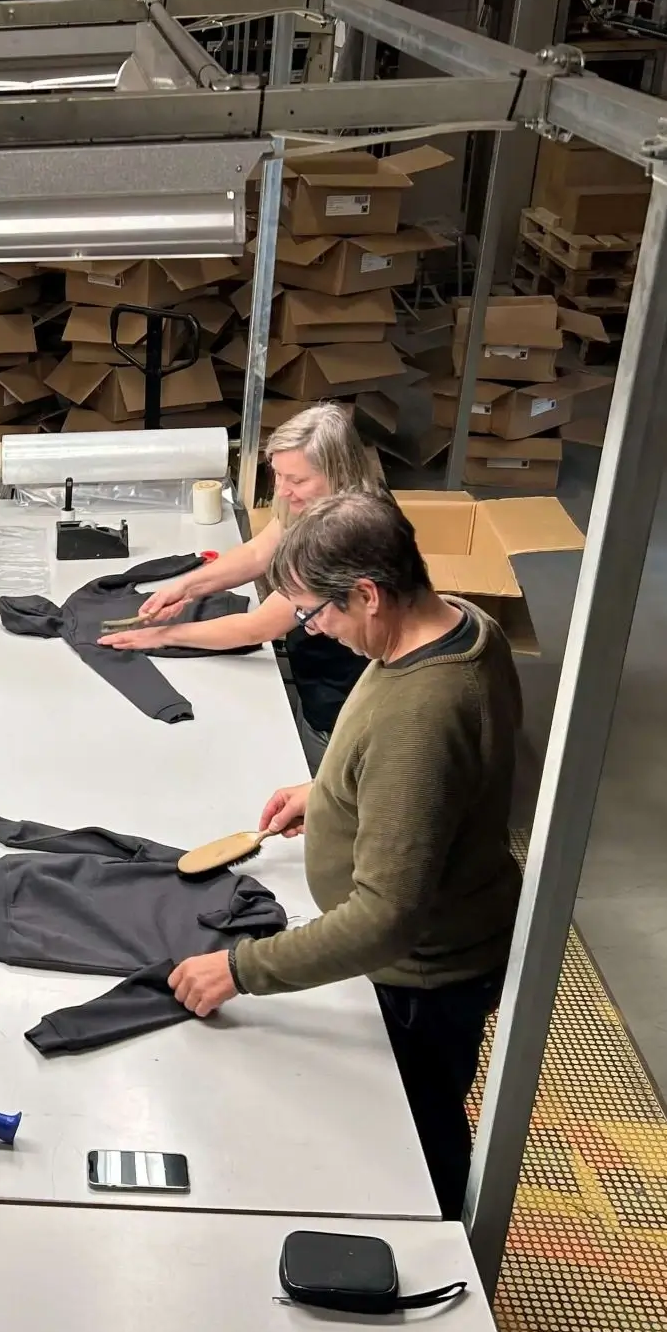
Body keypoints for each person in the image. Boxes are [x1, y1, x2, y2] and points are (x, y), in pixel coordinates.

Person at [164, 492, 523, 1221]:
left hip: (423, 979)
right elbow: (431, 781)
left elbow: (385, 917)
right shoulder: (454, 622)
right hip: (441, 938)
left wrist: (242, 968)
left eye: (320, 613)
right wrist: (332, 790)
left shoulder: (425, 711)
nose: (317, 630)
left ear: (369, 592)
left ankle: (441, 1267)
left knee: (415, 1144)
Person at [98, 404, 381, 760]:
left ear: (338, 473)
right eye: (278, 475)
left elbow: (255, 627)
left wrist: (160, 636)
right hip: (316, 674)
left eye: (297, 480)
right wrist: (183, 587)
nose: (283, 490)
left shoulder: (348, 535)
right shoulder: (317, 505)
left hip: (340, 703)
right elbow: (258, 553)